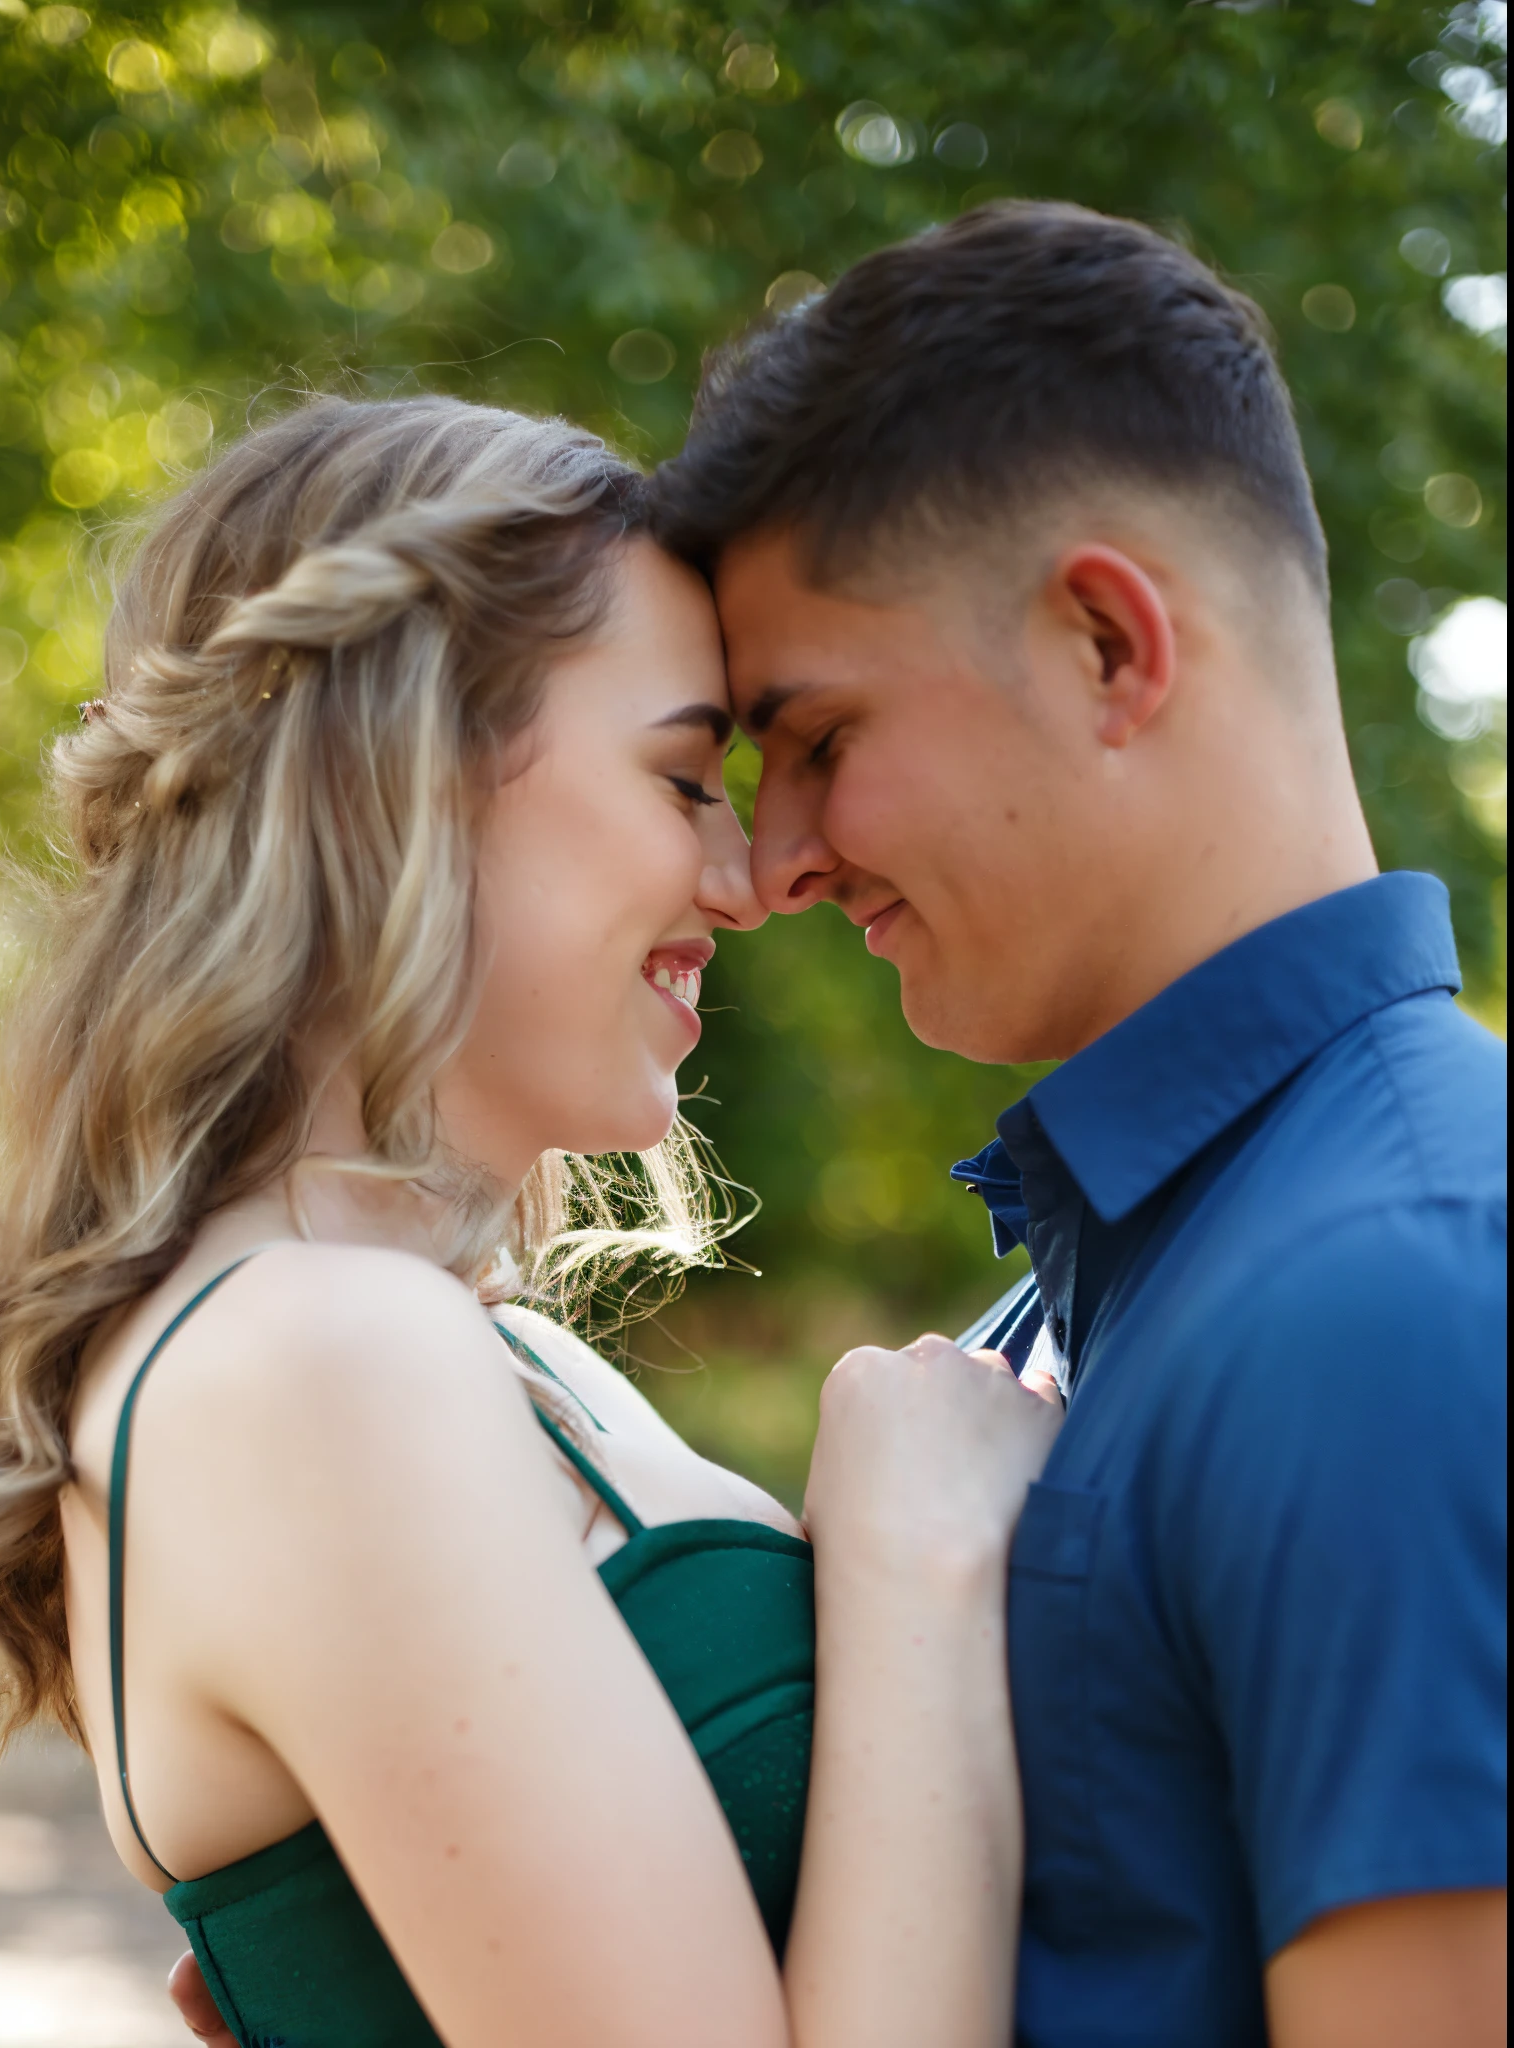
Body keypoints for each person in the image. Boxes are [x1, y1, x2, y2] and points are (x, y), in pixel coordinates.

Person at [0, 395, 1062, 2048]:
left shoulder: (453, 1341)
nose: (746, 880)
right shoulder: (319, 1360)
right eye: (681, 777)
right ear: (405, 784)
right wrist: (914, 1563)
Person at [646, 199, 1507, 2048]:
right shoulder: (1142, 1264)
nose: (776, 860)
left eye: (818, 738)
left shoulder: (1399, 1295)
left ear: (1110, 644)